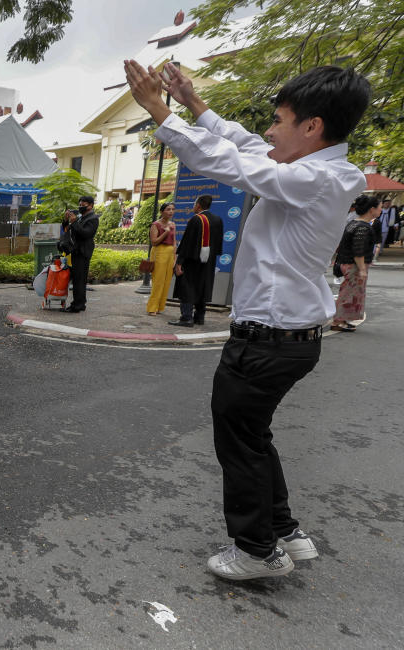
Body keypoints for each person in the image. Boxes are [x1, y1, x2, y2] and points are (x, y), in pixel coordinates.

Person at [126, 60, 370, 580]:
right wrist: (193, 104)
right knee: (253, 436)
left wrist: (158, 111)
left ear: (312, 127)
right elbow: (247, 146)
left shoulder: (316, 177)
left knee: (238, 443)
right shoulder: (314, 170)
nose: (268, 129)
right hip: (284, 339)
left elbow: (233, 163)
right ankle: (284, 528)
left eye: (278, 119)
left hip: (267, 342)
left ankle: (257, 550)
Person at [169, 195, 224, 327]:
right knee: (202, 287)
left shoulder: (195, 220)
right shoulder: (218, 220)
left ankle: (186, 318)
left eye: (194, 204)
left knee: (187, 287)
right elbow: (218, 244)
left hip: (192, 261)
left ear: (198, 205)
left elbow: (187, 243)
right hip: (208, 262)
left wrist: (179, 262)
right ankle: (199, 317)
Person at [332, 195, 380, 332]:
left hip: (346, 263)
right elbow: (358, 250)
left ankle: (341, 320)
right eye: (379, 207)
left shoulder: (353, 223)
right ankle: (338, 321)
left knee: (347, 292)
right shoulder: (362, 227)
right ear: (372, 209)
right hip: (353, 266)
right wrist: (362, 269)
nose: (380, 210)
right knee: (348, 294)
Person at [61, 196, 99, 313]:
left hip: (83, 252)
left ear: (91, 205)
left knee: (79, 280)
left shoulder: (93, 218)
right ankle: (80, 303)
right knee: (77, 279)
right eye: (80, 204)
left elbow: (85, 234)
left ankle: (77, 305)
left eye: (84, 204)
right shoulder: (81, 217)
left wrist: (74, 222)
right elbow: (68, 229)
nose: (81, 206)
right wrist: (66, 220)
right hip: (75, 251)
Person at [146, 202, 176, 315]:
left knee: (167, 281)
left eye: (173, 209)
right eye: (168, 209)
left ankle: (159, 306)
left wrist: (175, 257)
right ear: (162, 212)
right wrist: (166, 232)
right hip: (159, 252)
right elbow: (154, 242)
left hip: (169, 254)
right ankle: (152, 307)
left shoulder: (173, 224)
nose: (171, 212)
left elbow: (174, 242)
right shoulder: (156, 224)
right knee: (158, 281)